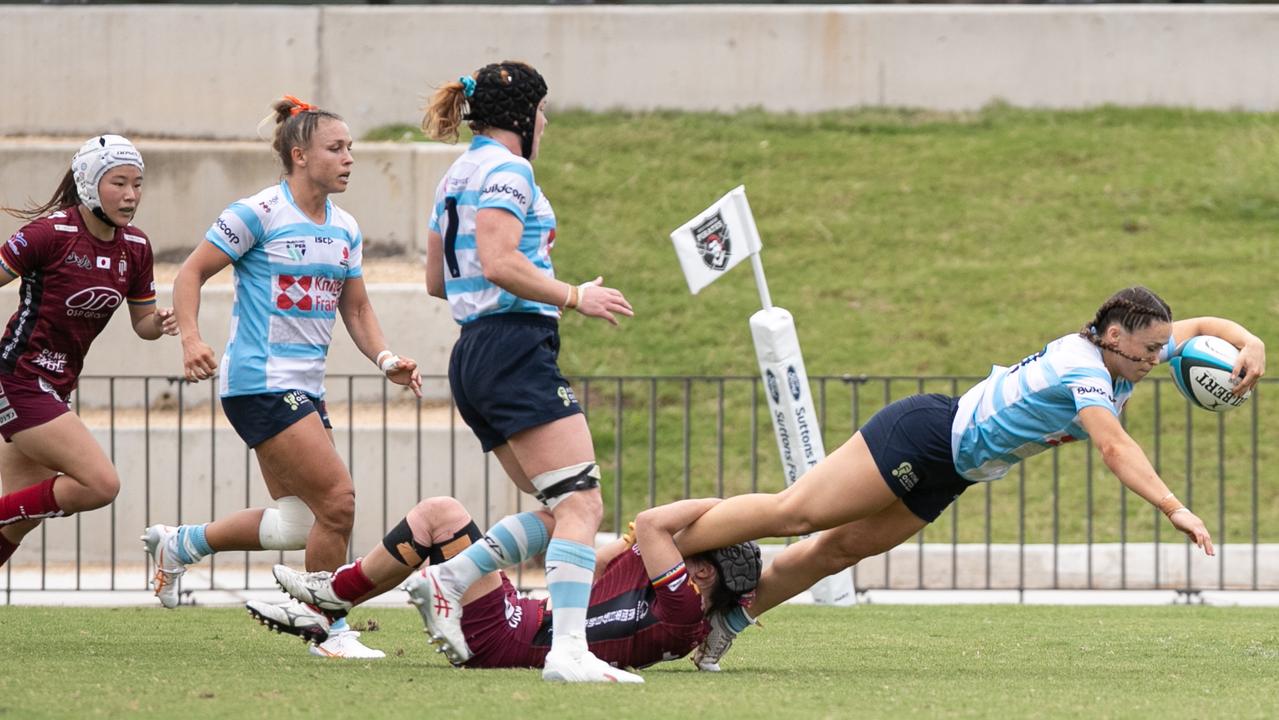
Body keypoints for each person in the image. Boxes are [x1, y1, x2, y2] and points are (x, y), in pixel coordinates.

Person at [671, 286, 1266, 670]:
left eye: (1164, 347)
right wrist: (1172, 506)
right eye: (1150, 348)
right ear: (1114, 336)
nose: (1160, 358)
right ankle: (667, 545)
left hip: (953, 471)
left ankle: (726, 621)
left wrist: (1251, 342)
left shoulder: (1134, 351)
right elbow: (1113, 446)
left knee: (837, 551)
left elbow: (1205, 322)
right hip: (925, 433)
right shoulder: (1081, 368)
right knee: (796, 513)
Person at [141, 96, 422, 660]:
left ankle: (180, 544)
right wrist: (192, 340)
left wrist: (387, 359)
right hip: (259, 384)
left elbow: (358, 309)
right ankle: (329, 631)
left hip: (304, 389)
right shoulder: (258, 212)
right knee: (339, 503)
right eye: (336, 148)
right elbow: (191, 272)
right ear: (300, 154)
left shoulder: (345, 228)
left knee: (300, 522)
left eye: (351, 149)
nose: (349, 159)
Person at [408, 61, 635, 681]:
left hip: (474, 352)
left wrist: (540, 288)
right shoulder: (510, 169)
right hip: (513, 348)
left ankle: (452, 576)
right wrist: (571, 295)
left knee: (563, 507)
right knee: (583, 505)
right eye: (542, 112)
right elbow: (498, 258)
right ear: (522, 118)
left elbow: (437, 279)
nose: (547, 123)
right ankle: (568, 653)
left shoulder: (457, 172)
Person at [245, 495, 760, 681]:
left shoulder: (679, 604)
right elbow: (598, 563)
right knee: (552, 516)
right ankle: (331, 603)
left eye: (695, 547)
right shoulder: (682, 611)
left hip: (509, 637)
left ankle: (336, 593)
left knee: (439, 514)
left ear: (703, 573)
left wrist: (724, 505)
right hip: (520, 623)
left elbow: (652, 523)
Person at [0, 135, 178, 567]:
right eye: (118, 183)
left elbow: (143, 325)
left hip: (56, 388)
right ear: (88, 184)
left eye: (137, 183)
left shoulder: (135, 248)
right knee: (101, 484)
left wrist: (161, 323)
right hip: (19, 379)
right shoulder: (49, 233)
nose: (131, 194)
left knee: (17, 521)